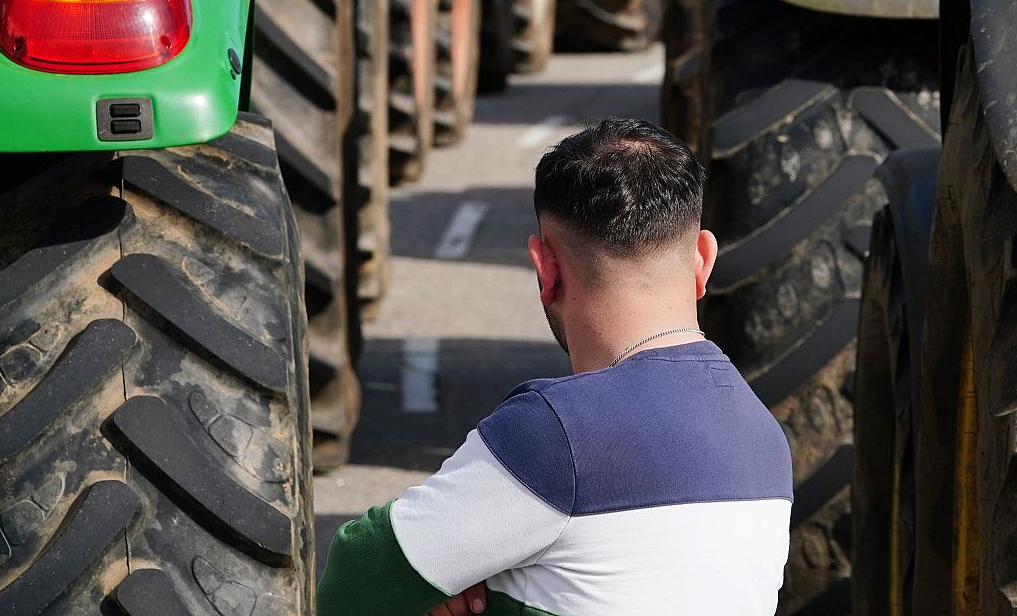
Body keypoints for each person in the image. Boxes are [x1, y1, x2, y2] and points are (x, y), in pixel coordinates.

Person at [317, 118, 793, 615]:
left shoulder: (554, 433)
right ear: (702, 260)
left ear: (546, 269)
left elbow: (357, 576)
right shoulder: (764, 438)